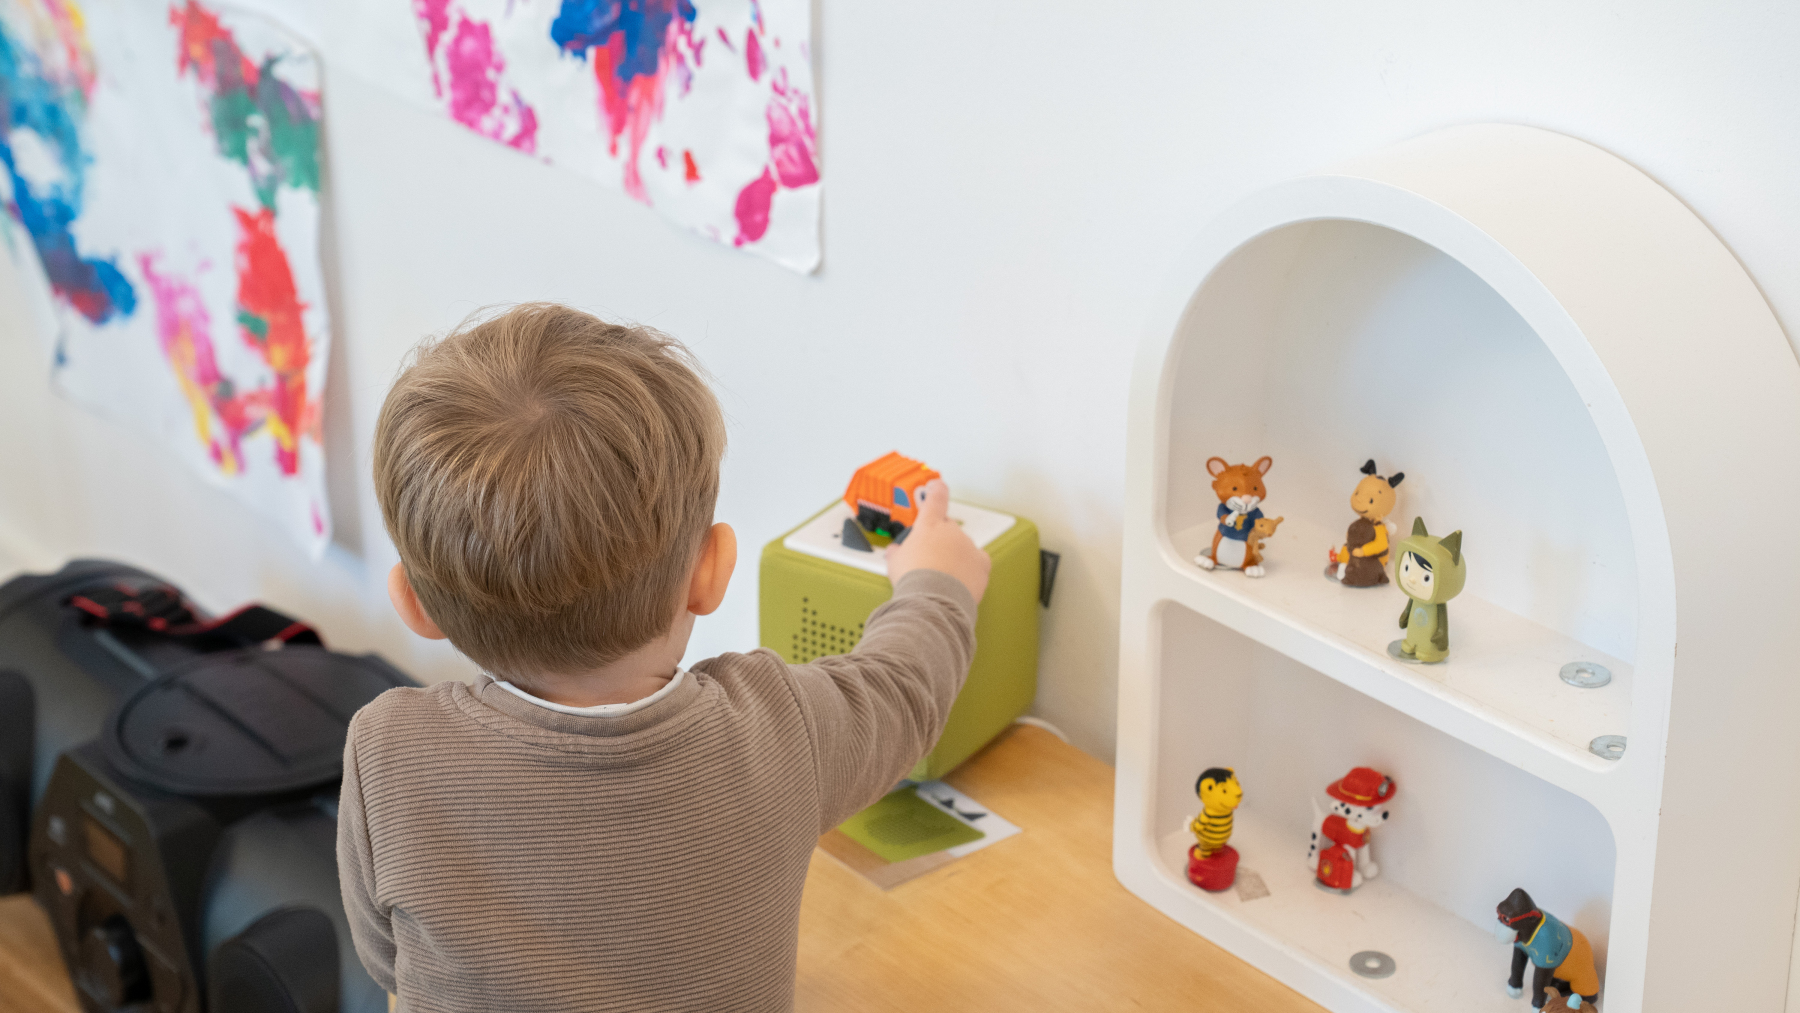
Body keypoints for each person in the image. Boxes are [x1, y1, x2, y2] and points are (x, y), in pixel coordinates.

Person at [337, 303, 989, 1012]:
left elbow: (387, 958)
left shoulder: (389, 752)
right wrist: (938, 581)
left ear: (414, 604)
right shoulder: (779, 729)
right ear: (711, 570)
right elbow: (904, 689)